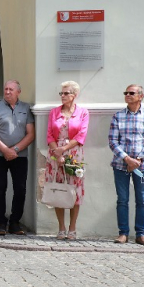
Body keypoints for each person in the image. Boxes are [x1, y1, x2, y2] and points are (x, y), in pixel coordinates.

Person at [0, 80, 35, 236]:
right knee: (0, 188)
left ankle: (15, 222)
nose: (7, 92)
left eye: (10, 89)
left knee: (20, 189)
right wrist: (5, 150)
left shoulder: (25, 108)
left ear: (18, 92)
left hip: (20, 156)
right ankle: (1, 222)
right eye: (5, 89)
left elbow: (31, 134)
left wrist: (15, 149)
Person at [46, 81, 89, 241]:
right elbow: (50, 134)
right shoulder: (54, 112)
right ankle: (61, 227)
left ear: (74, 95)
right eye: (61, 93)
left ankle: (72, 227)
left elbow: (81, 135)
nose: (62, 96)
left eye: (66, 93)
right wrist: (57, 153)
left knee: (74, 190)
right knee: (58, 188)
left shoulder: (83, 112)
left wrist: (63, 150)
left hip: (74, 154)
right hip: (55, 154)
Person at [108, 84, 144, 245]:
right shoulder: (118, 116)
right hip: (120, 164)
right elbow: (112, 141)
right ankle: (123, 233)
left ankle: (141, 233)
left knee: (142, 200)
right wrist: (127, 159)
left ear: (140, 96)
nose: (128, 95)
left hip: (142, 165)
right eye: (126, 93)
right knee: (122, 200)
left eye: (131, 93)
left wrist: (138, 159)